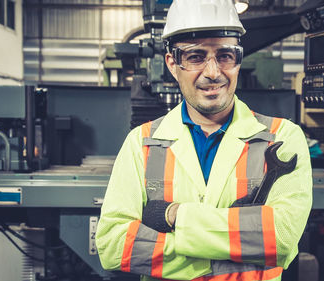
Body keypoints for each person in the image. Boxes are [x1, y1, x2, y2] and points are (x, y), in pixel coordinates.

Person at [96, 0, 312, 280]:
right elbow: (113, 246)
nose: (213, 72)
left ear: (238, 60)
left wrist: (174, 215)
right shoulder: (142, 143)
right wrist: (231, 253)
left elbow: (282, 237)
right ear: (173, 64)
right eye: (196, 57)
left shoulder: (282, 137)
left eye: (225, 55)